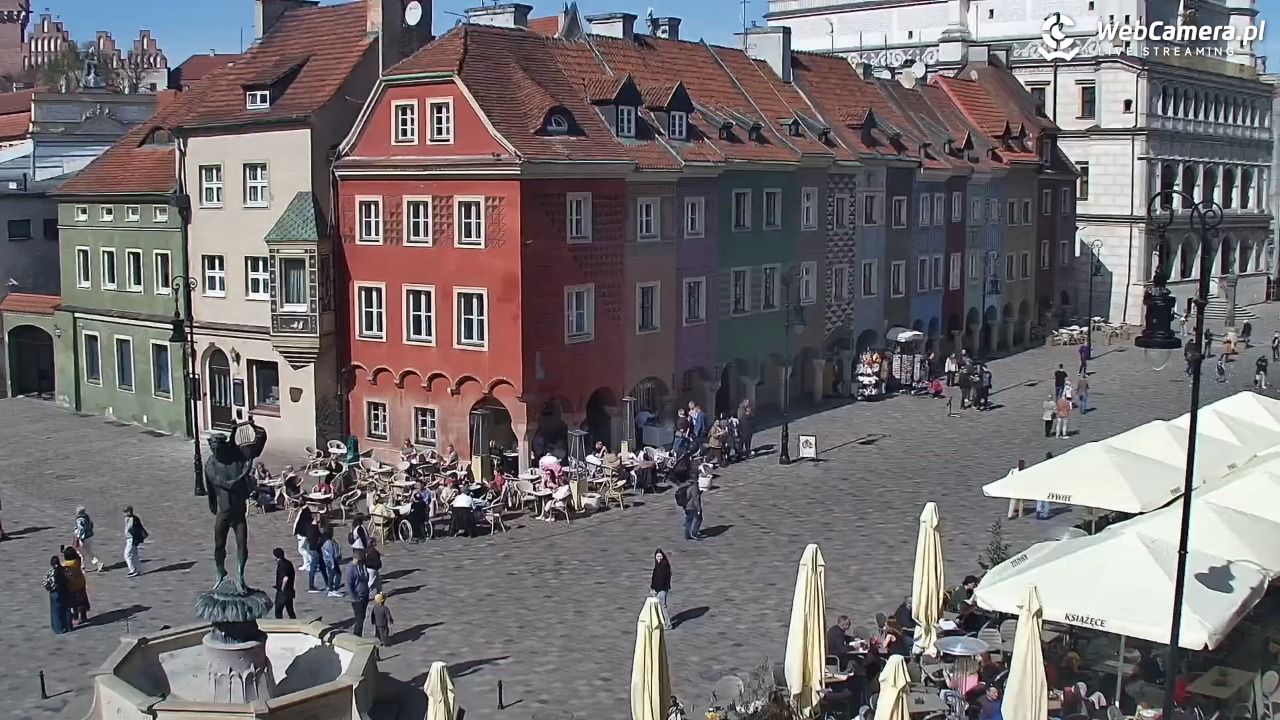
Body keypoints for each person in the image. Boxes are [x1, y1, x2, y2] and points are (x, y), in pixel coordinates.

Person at [344, 552, 371, 637]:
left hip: (365, 596)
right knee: (359, 619)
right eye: (360, 560)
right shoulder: (350, 569)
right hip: (357, 598)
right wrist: (355, 598)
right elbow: (348, 586)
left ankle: (359, 635)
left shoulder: (362, 566)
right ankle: (356, 637)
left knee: (362, 618)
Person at [43, 555, 71, 634]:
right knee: (65, 609)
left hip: (54, 593)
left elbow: (45, 583)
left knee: (55, 612)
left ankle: (58, 628)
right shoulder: (64, 570)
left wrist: (50, 588)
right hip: (64, 591)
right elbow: (69, 577)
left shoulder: (51, 572)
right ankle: (67, 626)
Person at [62, 547, 90, 625]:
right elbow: (78, 555)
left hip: (73, 585)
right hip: (81, 581)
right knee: (83, 599)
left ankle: (77, 618)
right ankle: (84, 617)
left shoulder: (68, 564)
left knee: (75, 603)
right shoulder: (78, 560)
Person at [73, 507, 103, 573]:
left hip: (84, 538)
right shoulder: (87, 516)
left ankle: (98, 563)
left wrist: (79, 538)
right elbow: (91, 524)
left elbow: (80, 530)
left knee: (84, 552)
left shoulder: (80, 520)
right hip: (90, 536)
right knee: (83, 552)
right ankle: (82, 566)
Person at [650, 549, 673, 630]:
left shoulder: (664, 566)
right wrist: (652, 588)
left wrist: (655, 589)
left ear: (662, 556)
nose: (658, 558)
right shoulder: (658, 565)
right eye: (657, 556)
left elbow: (661, 579)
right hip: (657, 589)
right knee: (660, 607)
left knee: (662, 607)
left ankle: (668, 624)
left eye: (660, 556)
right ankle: (663, 622)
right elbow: (654, 577)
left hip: (662, 589)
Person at [122, 505, 146, 577]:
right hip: (130, 539)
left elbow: (132, 529)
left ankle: (133, 570)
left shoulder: (133, 519)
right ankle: (140, 570)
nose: (124, 514)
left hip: (131, 539)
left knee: (127, 555)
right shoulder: (130, 518)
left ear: (129, 512)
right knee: (134, 555)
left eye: (125, 512)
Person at [272, 547, 296, 619]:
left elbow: (285, 578)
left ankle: (280, 625)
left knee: (278, 610)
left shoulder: (282, 565)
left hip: (284, 592)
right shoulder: (288, 563)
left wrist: (282, 588)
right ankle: (294, 623)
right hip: (290, 590)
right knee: (290, 610)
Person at [677, 477, 702, 541]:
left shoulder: (686, 486)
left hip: (686, 507)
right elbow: (695, 499)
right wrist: (699, 509)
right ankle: (694, 534)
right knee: (698, 519)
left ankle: (687, 535)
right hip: (693, 507)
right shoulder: (694, 487)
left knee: (689, 520)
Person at [305, 516, 326, 593]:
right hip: (314, 549)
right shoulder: (315, 529)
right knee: (313, 568)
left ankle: (327, 583)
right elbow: (319, 538)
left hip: (313, 549)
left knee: (320, 565)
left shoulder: (309, 527)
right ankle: (311, 586)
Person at [321, 528, 343, 597]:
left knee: (331, 574)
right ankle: (335, 590)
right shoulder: (329, 543)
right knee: (338, 574)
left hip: (328, 561)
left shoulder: (327, 541)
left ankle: (330, 587)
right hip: (331, 561)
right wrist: (333, 564)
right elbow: (331, 554)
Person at [293, 506, 314, 572]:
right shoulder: (305, 511)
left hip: (303, 534)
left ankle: (309, 564)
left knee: (302, 549)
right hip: (303, 533)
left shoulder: (304, 512)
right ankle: (307, 563)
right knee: (306, 549)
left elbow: (301, 524)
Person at [1036, 452, 1054, 519]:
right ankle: (1045, 513)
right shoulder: (1053, 465)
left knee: (1040, 498)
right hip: (1047, 484)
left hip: (1041, 483)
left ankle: (1038, 511)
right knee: (1046, 499)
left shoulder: (1043, 464)